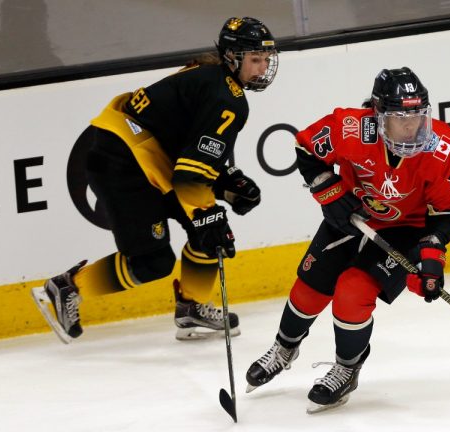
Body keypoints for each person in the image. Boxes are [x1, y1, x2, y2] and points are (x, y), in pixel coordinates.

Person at [31, 17, 278, 344]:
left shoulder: (209, 77)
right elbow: (190, 174)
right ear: (232, 57)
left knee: (207, 235)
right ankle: (68, 287)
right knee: (154, 260)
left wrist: (223, 182)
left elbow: (185, 149)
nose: (262, 69)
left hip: (137, 155)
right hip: (122, 163)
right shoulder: (227, 99)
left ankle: (193, 307)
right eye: (255, 60)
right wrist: (208, 212)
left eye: (265, 60)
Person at [245, 67, 450, 413]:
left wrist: (431, 255)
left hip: (405, 228)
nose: (412, 126)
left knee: (352, 290)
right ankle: (284, 347)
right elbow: (305, 148)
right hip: (352, 214)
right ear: (379, 115)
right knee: (310, 288)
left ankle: (347, 368)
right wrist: (330, 193)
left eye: (418, 115)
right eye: (400, 117)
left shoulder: (443, 147)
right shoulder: (352, 127)